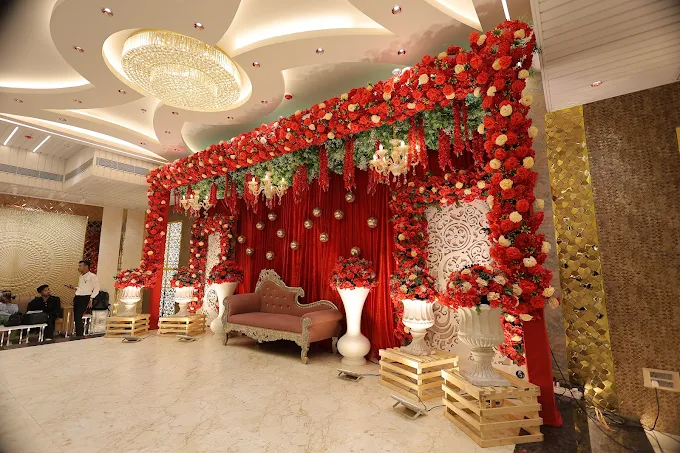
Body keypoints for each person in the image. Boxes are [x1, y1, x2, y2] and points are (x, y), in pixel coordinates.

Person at [65, 260, 100, 339]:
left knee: (78, 317)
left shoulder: (92, 276)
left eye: (80, 266)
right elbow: (82, 288)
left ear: (86, 266)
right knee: (76, 317)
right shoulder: (81, 276)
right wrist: (73, 288)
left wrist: (91, 298)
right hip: (78, 297)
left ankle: (79, 336)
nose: (78, 268)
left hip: (85, 298)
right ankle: (79, 335)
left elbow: (96, 288)